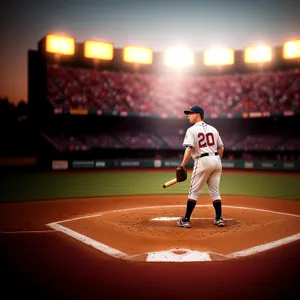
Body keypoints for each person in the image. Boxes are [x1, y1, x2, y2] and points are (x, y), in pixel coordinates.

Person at [177, 105, 225, 228]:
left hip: (202, 161)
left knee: (194, 191)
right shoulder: (214, 129)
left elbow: (189, 149)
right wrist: (217, 160)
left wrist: (182, 165)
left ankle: (186, 219)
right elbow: (221, 147)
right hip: (216, 160)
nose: (188, 115)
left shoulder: (191, 130)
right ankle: (219, 218)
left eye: (190, 113)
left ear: (198, 114)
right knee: (215, 191)